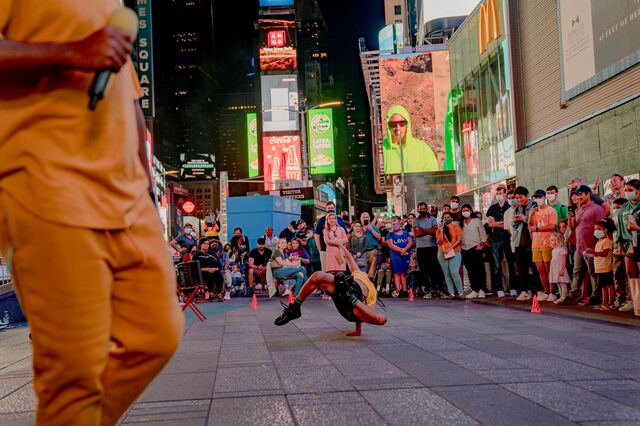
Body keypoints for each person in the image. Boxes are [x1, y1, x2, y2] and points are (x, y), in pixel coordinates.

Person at [0, 3, 184, 423]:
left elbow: (131, 96)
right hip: (43, 179)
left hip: (127, 195)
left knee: (156, 334)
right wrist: (70, 52)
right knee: (74, 371)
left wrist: (146, 191)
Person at [274, 245, 387, 336]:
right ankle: (295, 308)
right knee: (318, 276)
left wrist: (358, 328)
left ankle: (351, 297)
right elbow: (348, 257)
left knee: (375, 317)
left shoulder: (373, 294)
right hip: (344, 287)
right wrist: (339, 245)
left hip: (353, 305)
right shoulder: (359, 273)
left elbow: (378, 319)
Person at [569, 184, 605, 305]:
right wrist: (570, 219)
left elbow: (601, 227)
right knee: (577, 271)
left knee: (593, 272)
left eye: (580, 194)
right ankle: (574, 294)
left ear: (588, 194)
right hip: (579, 246)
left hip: (591, 245)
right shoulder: (578, 209)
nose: (578, 197)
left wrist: (597, 245)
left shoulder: (597, 209)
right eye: (577, 195)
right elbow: (573, 227)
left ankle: (595, 296)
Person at [382, 105, 438, 174]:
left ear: (407, 124)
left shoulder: (422, 149)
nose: (397, 128)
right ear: (388, 126)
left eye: (402, 123)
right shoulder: (381, 150)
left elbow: (433, 178)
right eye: (393, 124)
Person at [486, 185, 518, 298]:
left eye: (501, 193)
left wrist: (499, 223)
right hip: (496, 239)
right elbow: (490, 224)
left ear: (505, 194)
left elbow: (512, 222)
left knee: (511, 264)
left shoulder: (510, 207)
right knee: (497, 265)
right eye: (497, 193)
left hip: (508, 238)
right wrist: (504, 222)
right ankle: (499, 288)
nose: (499, 195)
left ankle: (513, 287)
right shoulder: (492, 208)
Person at [512, 186, 541, 301]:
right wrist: (515, 220)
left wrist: (524, 218)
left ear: (527, 195)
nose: (519, 200)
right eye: (517, 198)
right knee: (522, 269)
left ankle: (540, 290)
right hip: (519, 241)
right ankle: (525, 291)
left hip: (532, 241)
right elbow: (513, 225)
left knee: (535, 267)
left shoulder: (534, 206)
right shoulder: (517, 208)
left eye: (521, 197)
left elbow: (536, 221)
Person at [528, 189, 558, 301]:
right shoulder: (534, 211)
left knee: (548, 267)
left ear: (544, 197)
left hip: (547, 242)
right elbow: (530, 226)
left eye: (540, 197)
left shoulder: (551, 210)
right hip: (536, 243)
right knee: (540, 269)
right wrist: (531, 214)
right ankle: (546, 291)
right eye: (536, 197)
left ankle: (553, 291)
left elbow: (552, 226)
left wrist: (537, 228)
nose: (538, 199)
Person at [413, 202, 445, 299]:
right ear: (418, 210)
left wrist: (423, 230)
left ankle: (437, 289)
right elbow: (416, 233)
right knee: (423, 270)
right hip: (421, 248)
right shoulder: (415, 220)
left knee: (434, 269)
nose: (422, 210)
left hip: (432, 247)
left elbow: (435, 231)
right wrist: (428, 230)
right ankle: (427, 290)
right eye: (420, 209)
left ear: (426, 209)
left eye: (424, 208)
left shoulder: (432, 219)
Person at [618, 180, 640, 313]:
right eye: (626, 190)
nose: (627, 193)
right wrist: (620, 243)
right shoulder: (624, 208)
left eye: (630, 190)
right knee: (631, 272)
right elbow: (620, 227)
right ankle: (635, 302)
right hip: (628, 243)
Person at [585, 219, 616, 310]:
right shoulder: (599, 241)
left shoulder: (607, 241)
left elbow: (604, 254)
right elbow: (598, 254)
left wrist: (593, 252)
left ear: (605, 230)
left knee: (609, 285)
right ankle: (604, 302)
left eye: (598, 229)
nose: (596, 231)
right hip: (599, 268)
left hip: (606, 267)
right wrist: (591, 255)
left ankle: (610, 303)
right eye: (595, 229)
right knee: (603, 286)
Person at [459, 205, 488, 298]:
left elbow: (483, 234)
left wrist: (481, 245)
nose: (465, 212)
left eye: (467, 210)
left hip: (476, 248)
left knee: (480, 270)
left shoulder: (477, 221)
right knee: (470, 271)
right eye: (463, 210)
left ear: (471, 211)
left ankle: (482, 290)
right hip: (465, 249)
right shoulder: (461, 223)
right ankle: (474, 289)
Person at [436, 212, 464, 298]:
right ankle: (451, 292)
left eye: (448, 217)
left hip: (455, 251)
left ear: (451, 218)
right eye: (445, 217)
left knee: (454, 272)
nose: (446, 218)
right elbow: (439, 242)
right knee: (446, 273)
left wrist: (450, 248)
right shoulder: (439, 229)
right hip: (442, 252)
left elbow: (458, 240)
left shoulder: (456, 228)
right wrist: (441, 231)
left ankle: (460, 292)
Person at [314, 201, 348, 271]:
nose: (330, 209)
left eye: (332, 208)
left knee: (339, 269)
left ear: (335, 208)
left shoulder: (340, 220)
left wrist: (344, 248)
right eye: (328, 208)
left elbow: (346, 236)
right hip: (325, 250)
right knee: (326, 270)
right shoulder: (321, 220)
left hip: (339, 251)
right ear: (326, 209)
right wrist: (320, 249)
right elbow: (317, 235)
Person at [387, 217, 413, 297]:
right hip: (395, 255)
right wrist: (401, 250)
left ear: (400, 224)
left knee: (403, 273)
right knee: (397, 273)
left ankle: (404, 290)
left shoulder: (405, 233)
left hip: (405, 255)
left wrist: (405, 249)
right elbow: (391, 245)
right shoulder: (390, 235)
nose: (395, 225)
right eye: (393, 224)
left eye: (397, 224)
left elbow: (410, 242)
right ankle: (398, 290)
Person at [549, 233, 571, 304]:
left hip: (560, 269)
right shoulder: (553, 250)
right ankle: (561, 296)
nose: (554, 242)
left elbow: (564, 260)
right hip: (555, 269)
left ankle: (564, 296)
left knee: (562, 282)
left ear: (560, 241)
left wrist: (562, 269)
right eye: (552, 240)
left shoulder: (562, 250)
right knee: (558, 282)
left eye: (556, 240)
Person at [361, 212, 381, 279]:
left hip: (372, 250)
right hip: (362, 252)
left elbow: (379, 237)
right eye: (363, 217)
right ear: (361, 218)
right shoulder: (358, 227)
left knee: (372, 271)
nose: (365, 219)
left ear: (369, 218)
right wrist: (362, 231)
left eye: (367, 217)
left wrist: (371, 230)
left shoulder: (374, 227)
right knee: (363, 271)